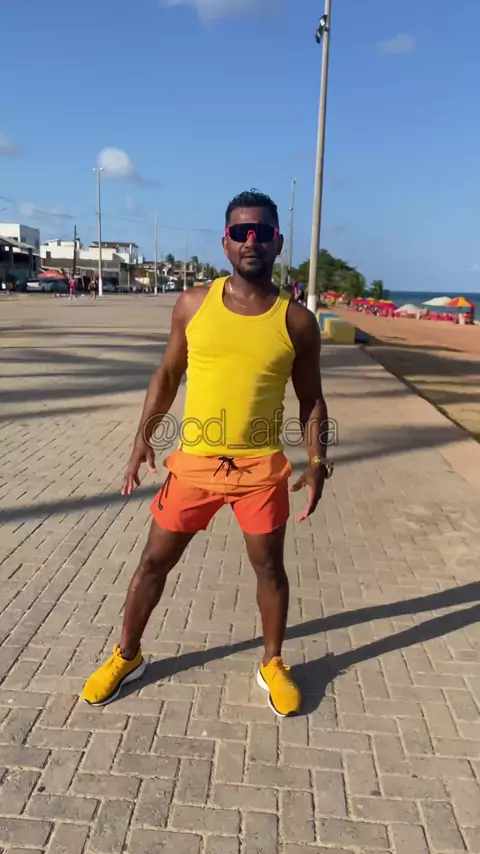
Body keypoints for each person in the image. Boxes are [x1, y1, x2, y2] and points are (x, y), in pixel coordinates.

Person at [82, 190, 332, 716]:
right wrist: (142, 439)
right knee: (153, 561)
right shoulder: (193, 304)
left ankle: (271, 662)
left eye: (261, 232)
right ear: (225, 242)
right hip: (194, 464)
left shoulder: (296, 322)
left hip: (260, 470)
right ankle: (127, 656)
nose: (250, 240)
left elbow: (312, 400)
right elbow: (167, 374)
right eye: (240, 231)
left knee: (269, 568)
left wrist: (317, 465)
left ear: (277, 242)